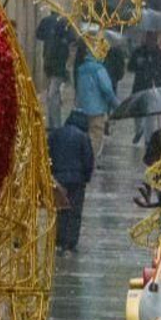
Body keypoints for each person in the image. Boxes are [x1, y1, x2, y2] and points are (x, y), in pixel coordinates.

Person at [47, 110, 96, 256]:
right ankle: (70, 243)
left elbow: (47, 154)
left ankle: (59, 241)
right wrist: (86, 178)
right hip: (77, 180)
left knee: (60, 210)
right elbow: (88, 160)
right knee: (74, 212)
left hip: (58, 178)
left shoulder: (55, 134)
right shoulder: (83, 137)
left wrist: (50, 174)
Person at [74, 43, 117, 158]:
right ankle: (89, 162)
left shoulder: (81, 69)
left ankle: (83, 159)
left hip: (82, 110)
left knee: (85, 137)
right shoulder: (99, 69)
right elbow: (107, 90)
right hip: (97, 111)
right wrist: (116, 106)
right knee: (95, 138)